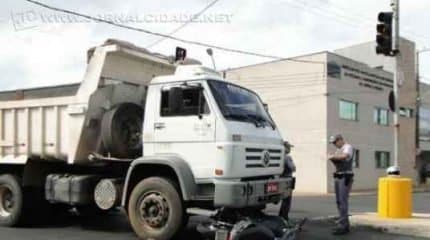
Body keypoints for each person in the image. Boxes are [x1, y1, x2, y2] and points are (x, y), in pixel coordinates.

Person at [327, 134, 354, 235]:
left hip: (345, 177)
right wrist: (333, 158)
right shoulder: (338, 150)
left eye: (335, 142)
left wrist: (333, 157)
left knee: (343, 201)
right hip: (338, 176)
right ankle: (344, 224)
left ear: (340, 140)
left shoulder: (347, 147)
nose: (334, 144)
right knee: (339, 201)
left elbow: (345, 156)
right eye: (333, 143)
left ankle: (343, 226)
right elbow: (337, 160)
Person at [279, 141, 296, 221]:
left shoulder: (279, 156)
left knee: (284, 199)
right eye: (288, 147)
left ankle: (281, 215)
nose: (290, 149)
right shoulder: (287, 157)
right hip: (287, 178)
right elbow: (293, 168)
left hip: (281, 178)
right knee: (287, 200)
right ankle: (284, 216)